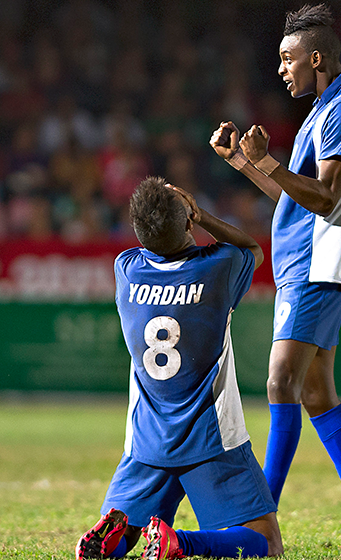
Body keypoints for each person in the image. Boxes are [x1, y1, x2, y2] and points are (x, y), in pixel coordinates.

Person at [208, 3, 341, 548]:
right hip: (307, 263)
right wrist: (245, 164)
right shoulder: (325, 107)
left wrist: (267, 165)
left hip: (316, 265)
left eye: (288, 58)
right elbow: (298, 195)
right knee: (315, 392)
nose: (281, 69)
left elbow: (328, 196)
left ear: (316, 57)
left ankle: (255, 519)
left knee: (280, 382)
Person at [76, 178, 281, 559]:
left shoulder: (127, 269)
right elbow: (252, 247)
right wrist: (203, 215)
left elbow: (154, 245)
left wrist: (177, 220)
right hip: (209, 437)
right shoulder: (219, 268)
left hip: (146, 440)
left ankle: (111, 542)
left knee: (130, 526)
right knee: (266, 543)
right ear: (188, 222)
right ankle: (180, 543)